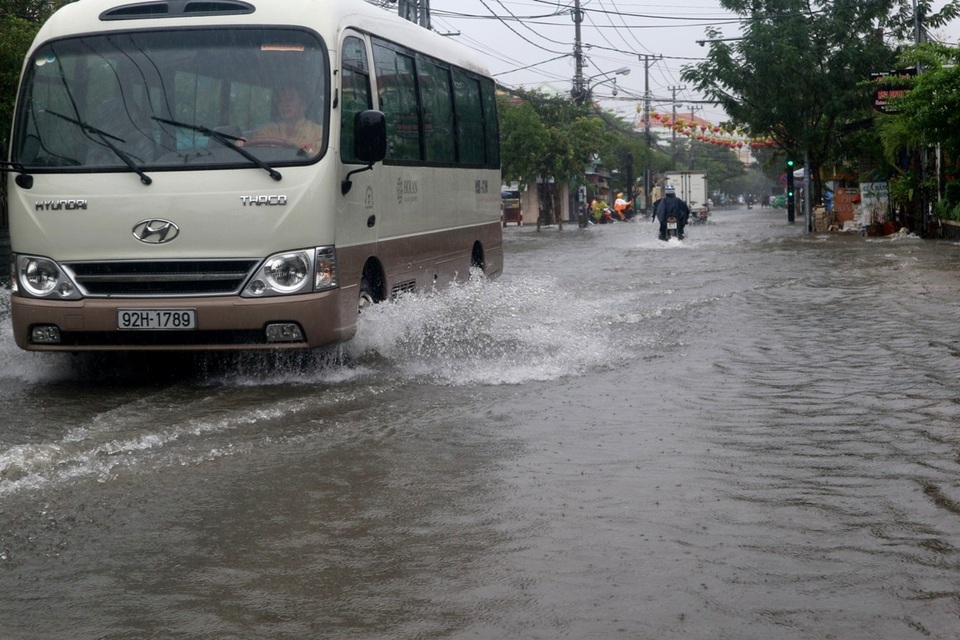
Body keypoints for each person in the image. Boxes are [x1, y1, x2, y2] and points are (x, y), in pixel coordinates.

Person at [251, 86, 324, 153]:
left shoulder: (318, 132)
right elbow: (256, 152)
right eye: (281, 100)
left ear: (303, 105)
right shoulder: (268, 130)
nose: (285, 104)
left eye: (290, 99)